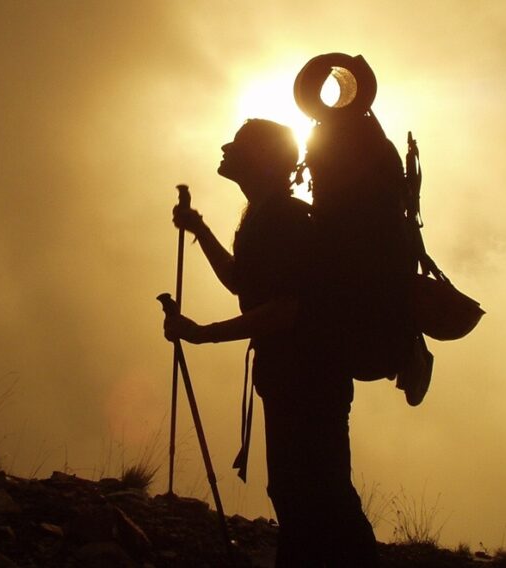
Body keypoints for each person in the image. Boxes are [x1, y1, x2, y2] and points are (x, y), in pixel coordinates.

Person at [162, 118, 380, 567]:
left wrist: (202, 334)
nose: (226, 149)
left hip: (308, 380)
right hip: (295, 379)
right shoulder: (266, 217)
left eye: (238, 145)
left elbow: (285, 309)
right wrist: (200, 229)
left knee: (317, 494)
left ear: (261, 158)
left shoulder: (282, 219)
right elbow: (243, 282)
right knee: (301, 492)